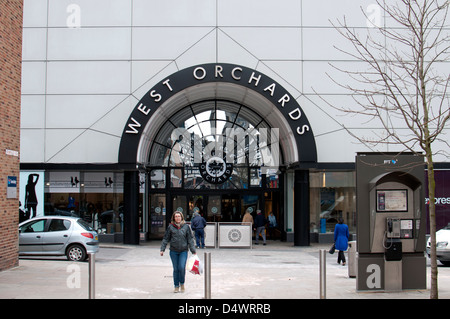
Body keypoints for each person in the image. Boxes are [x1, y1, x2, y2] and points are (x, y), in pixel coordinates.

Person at [160, 211, 196, 293]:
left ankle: (182, 283)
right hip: (173, 251)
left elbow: (190, 239)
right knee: (176, 269)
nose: (177, 218)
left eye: (179, 216)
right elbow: (166, 239)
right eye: (176, 216)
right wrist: (162, 249)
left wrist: (193, 250)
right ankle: (176, 286)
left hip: (183, 251)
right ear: (174, 218)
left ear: (182, 217)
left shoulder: (186, 227)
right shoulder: (170, 227)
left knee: (181, 268)